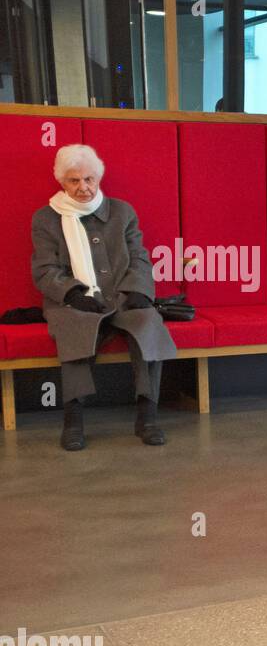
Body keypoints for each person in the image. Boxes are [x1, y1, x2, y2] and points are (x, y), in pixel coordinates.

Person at [31, 144, 177, 450]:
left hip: (123, 296)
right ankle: (73, 420)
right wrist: (72, 293)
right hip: (74, 300)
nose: (83, 187)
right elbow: (45, 270)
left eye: (89, 179)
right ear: (61, 181)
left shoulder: (122, 212)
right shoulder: (45, 218)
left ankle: (148, 416)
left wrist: (138, 289)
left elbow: (139, 257)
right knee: (73, 327)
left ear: (98, 179)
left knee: (148, 321)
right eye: (74, 180)